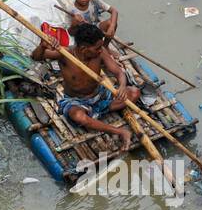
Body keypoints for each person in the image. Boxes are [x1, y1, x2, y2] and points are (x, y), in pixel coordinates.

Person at [31, 21, 139, 149]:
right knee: (78, 116)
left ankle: (96, 114)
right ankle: (120, 131)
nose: (100, 51)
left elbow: (118, 72)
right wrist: (43, 46)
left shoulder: (100, 52)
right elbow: (35, 57)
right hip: (77, 101)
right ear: (83, 49)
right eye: (97, 48)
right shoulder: (65, 54)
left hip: (100, 95)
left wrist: (121, 86)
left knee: (134, 92)